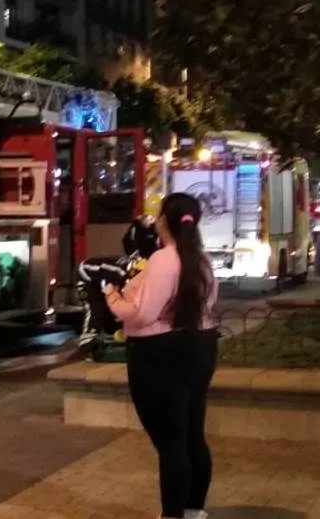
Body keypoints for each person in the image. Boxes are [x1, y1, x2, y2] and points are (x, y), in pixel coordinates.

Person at [104, 192, 220, 519]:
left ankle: (172, 514)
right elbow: (208, 305)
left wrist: (112, 297)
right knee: (192, 435)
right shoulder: (201, 259)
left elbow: (142, 314)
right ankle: (193, 510)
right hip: (200, 347)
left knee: (170, 442)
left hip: (158, 355)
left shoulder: (163, 260)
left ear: (164, 222)